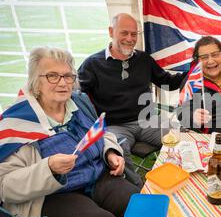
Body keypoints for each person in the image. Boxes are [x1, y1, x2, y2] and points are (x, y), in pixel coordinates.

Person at [0, 47, 140, 217]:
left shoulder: (79, 103)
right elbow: (3, 186)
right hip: (52, 195)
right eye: (52, 76)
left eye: (68, 75)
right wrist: (48, 168)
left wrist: (111, 151)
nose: (63, 82)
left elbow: (101, 133)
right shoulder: (17, 122)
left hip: (96, 177)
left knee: (136, 204)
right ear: (35, 82)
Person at [78, 13, 186, 181]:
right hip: (115, 126)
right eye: (124, 33)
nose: (130, 38)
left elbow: (167, 81)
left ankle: (184, 177)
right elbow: (78, 97)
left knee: (181, 137)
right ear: (111, 31)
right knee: (118, 150)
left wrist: (194, 71)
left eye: (134, 34)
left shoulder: (143, 59)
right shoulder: (92, 64)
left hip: (148, 120)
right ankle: (137, 189)